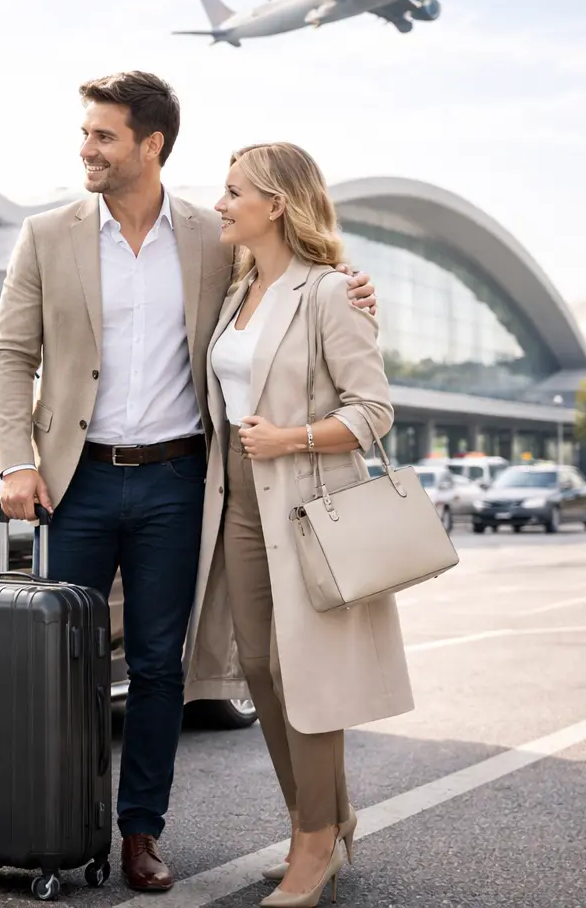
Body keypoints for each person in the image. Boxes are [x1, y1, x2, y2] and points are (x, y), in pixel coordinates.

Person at [0, 71, 376, 892]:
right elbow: (11, 354)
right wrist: (17, 460)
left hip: (178, 483)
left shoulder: (210, 236)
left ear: (151, 144)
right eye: (86, 133)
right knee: (61, 666)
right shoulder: (48, 235)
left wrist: (356, 286)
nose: (85, 149)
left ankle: (140, 833)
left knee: (163, 668)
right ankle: (59, 827)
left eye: (103, 135)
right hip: (74, 485)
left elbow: (295, 282)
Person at [186, 142, 414, 907]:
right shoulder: (236, 291)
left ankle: (314, 845)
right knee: (257, 668)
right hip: (239, 508)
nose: (220, 203)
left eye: (232, 191)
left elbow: (375, 410)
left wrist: (292, 438)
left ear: (275, 204)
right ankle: (323, 817)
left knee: (303, 672)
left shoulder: (329, 292)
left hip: (308, 505)